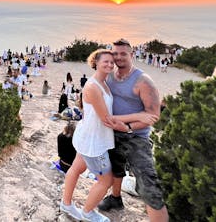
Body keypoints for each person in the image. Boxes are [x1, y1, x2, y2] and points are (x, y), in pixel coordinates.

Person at [100, 38, 168, 222]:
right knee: (115, 168)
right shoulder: (110, 75)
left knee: (148, 185)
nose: (119, 57)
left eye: (123, 54)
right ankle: (115, 198)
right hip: (112, 133)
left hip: (136, 137)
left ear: (132, 55)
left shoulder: (143, 81)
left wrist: (128, 126)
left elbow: (153, 115)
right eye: (115, 54)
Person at [60, 49, 116, 222]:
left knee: (77, 168)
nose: (109, 64)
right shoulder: (92, 86)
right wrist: (132, 125)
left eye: (111, 62)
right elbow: (106, 119)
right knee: (106, 180)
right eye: (105, 61)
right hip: (94, 141)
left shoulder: (104, 82)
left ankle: (66, 203)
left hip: (88, 134)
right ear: (96, 63)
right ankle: (88, 212)